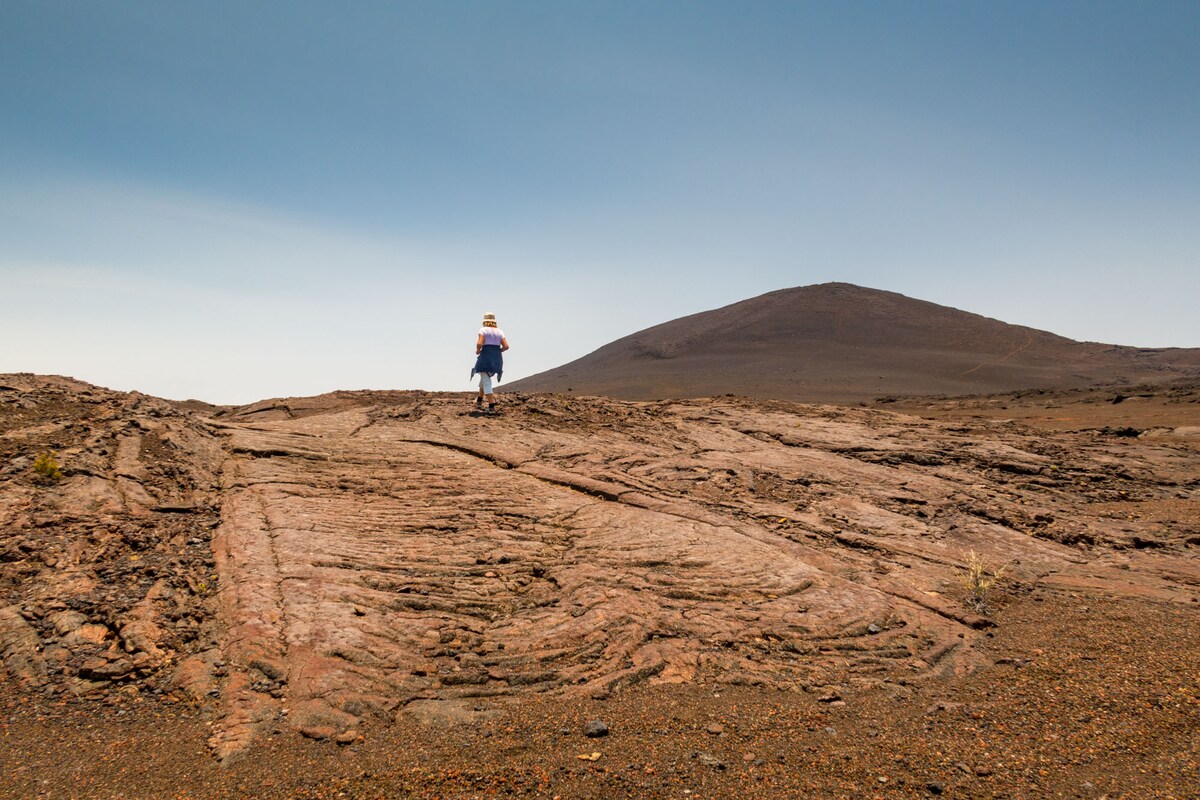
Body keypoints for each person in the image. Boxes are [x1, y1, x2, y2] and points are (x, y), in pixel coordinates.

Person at [471, 312, 509, 414]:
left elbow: (479, 343)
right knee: (484, 378)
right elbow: (506, 346)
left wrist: (478, 350)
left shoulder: (483, 330)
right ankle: (479, 400)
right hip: (496, 358)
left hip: (486, 357)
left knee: (486, 380)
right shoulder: (500, 332)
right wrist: (498, 351)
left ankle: (491, 407)